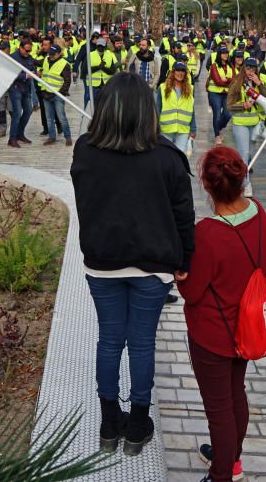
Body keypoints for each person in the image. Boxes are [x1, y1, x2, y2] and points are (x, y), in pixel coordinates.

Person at [71, 72, 195, 456]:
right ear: (148, 110)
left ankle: (110, 422)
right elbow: (184, 216)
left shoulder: (85, 151)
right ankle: (138, 424)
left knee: (109, 340)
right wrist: (184, 260)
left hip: (103, 262)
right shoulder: (168, 158)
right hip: (153, 266)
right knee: (141, 344)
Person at [178, 145, 266, 482]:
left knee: (219, 410)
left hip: (212, 338)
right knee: (236, 396)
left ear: (206, 185)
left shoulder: (207, 233)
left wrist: (180, 276)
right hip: (248, 329)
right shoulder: (260, 214)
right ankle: (232, 460)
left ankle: (221, 475)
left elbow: (191, 293)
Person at [227, 58, 266, 198]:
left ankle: (240, 172)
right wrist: (243, 105)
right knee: (243, 154)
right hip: (240, 123)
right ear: (243, 69)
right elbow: (229, 105)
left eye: (253, 68)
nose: (250, 70)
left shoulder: (258, 83)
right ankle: (246, 185)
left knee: (250, 153)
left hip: (254, 123)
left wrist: (260, 84)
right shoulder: (236, 84)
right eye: (248, 68)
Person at [156, 62, 194, 154]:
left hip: (183, 128)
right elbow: (157, 108)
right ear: (172, 72)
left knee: (181, 156)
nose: (180, 73)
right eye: (178, 70)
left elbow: (192, 110)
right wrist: (155, 127)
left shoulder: (190, 89)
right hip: (166, 128)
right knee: (165, 155)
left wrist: (193, 129)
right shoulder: (162, 88)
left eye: (183, 71)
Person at [41, 44, 72, 147]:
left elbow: (67, 81)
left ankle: (68, 137)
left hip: (57, 95)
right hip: (46, 94)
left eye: (53, 54)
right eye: (50, 53)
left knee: (61, 117)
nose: (51, 55)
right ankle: (52, 137)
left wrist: (61, 93)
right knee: (49, 118)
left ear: (59, 54)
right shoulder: (46, 59)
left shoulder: (64, 64)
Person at [8, 38, 37, 148]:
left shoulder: (29, 57)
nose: (28, 53)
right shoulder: (13, 58)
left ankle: (20, 134)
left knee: (28, 111)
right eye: (26, 50)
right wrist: (25, 76)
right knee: (17, 113)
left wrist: (35, 73)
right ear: (20, 48)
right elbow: (9, 73)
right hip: (15, 89)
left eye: (29, 51)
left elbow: (32, 67)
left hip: (26, 88)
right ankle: (12, 139)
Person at [207, 45, 233, 145]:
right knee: (217, 115)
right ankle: (217, 135)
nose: (225, 55)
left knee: (228, 114)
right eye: (223, 53)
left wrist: (227, 80)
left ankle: (219, 127)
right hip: (214, 93)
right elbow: (217, 81)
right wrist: (228, 80)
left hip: (226, 93)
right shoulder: (214, 66)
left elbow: (234, 79)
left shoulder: (231, 66)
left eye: (227, 53)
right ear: (219, 54)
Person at [0, 39, 11, 137]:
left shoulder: (13, 59)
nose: (1, 50)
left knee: (14, 110)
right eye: (0, 48)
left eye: (3, 49)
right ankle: (1, 129)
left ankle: (17, 129)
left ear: (8, 49)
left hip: (12, 89)